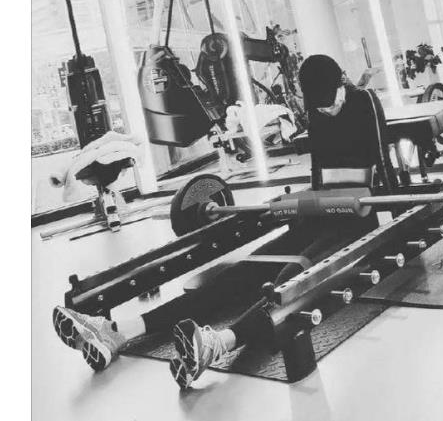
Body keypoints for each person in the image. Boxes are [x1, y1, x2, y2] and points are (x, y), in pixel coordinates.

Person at [52, 54, 395, 389]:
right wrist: (304, 206)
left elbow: (381, 163)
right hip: (323, 211)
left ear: (342, 84)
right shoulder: (318, 110)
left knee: (293, 276)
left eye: (330, 102)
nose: (327, 109)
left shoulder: (364, 101)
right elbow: (319, 173)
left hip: (362, 216)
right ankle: (118, 332)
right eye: (319, 106)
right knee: (243, 273)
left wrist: (389, 217)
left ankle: (220, 343)